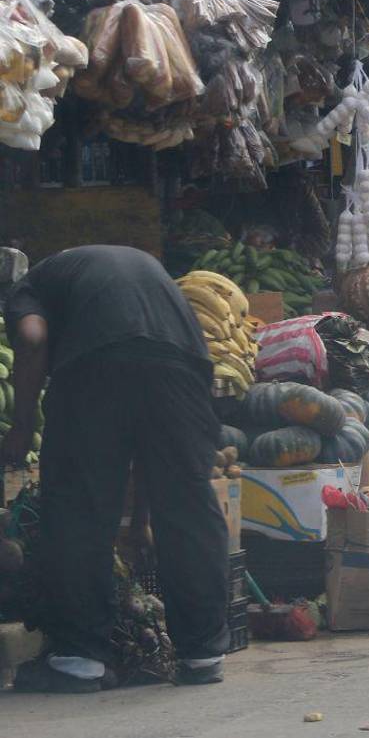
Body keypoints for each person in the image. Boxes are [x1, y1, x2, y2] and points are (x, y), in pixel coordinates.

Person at [1, 245, 228, 692]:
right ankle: (203, 653)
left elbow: (31, 338)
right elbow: (146, 451)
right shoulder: (115, 265)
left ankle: (79, 659)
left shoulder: (28, 287)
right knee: (188, 503)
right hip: (181, 366)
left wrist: (22, 427)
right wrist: (140, 519)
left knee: (78, 509)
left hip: (94, 368)